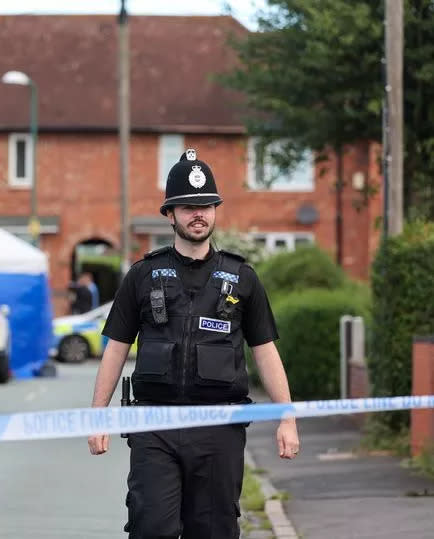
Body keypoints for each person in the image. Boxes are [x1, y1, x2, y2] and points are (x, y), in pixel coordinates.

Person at [87, 148, 300, 539]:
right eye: (187, 206)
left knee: (214, 531)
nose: (197, 214)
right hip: (154, 426)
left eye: (205, 206)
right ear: (170, 214)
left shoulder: (243, 278)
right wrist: (98, 414)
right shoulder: (143, 275)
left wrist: (287, 417)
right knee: (152, 528)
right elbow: (116, 346)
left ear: (216, 211)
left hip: (218, 427)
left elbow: (265, 350)